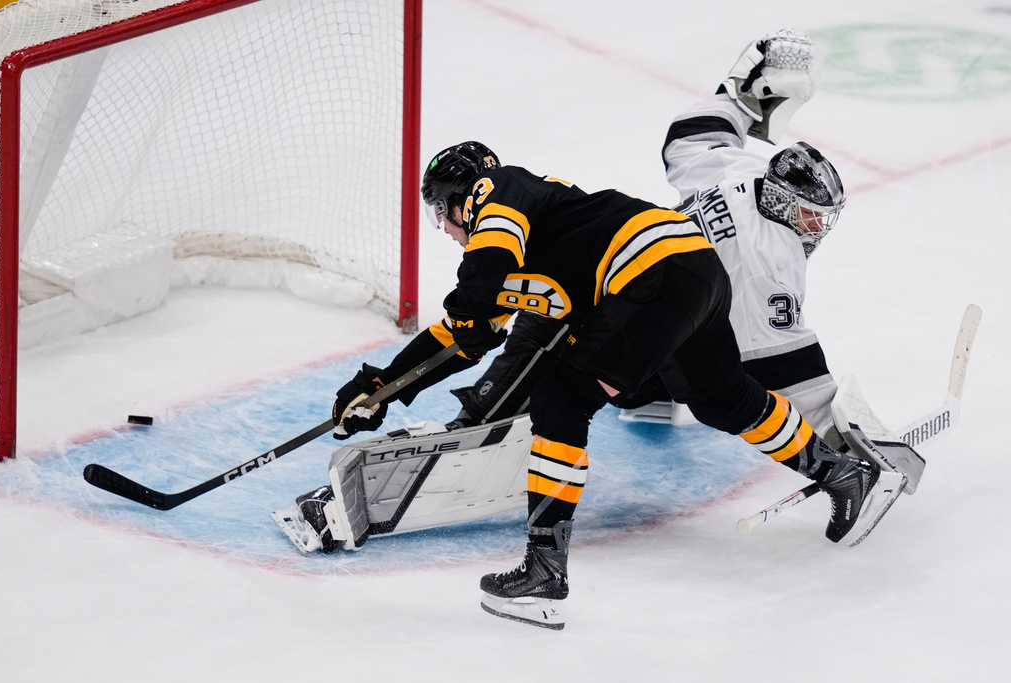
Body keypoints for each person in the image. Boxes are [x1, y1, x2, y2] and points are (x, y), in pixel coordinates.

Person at [323, 124, 878, 628]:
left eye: (440, 214)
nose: (442, 229)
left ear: (462, 199)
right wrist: (383, 387)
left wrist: (468, 302)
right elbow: (464, 336)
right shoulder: (527, 237)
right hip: (693, 272)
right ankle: (840, 473)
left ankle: (544, 571)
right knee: (723, 398)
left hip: (652, 277)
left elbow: (484, 274)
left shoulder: (500, 190)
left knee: (561, 398)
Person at [449, 28, 841, 443]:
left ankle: (490, 414)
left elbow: (692, 134)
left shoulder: (737, 172)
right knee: (560, 341)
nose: (814, 227)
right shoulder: (772, 261)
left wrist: (742, 94)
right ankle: (485, 419)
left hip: (636, 276)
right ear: (781, 201)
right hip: (652, 310)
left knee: (555, 323)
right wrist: (839, 435)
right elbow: (788, 369)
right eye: (809, 217)